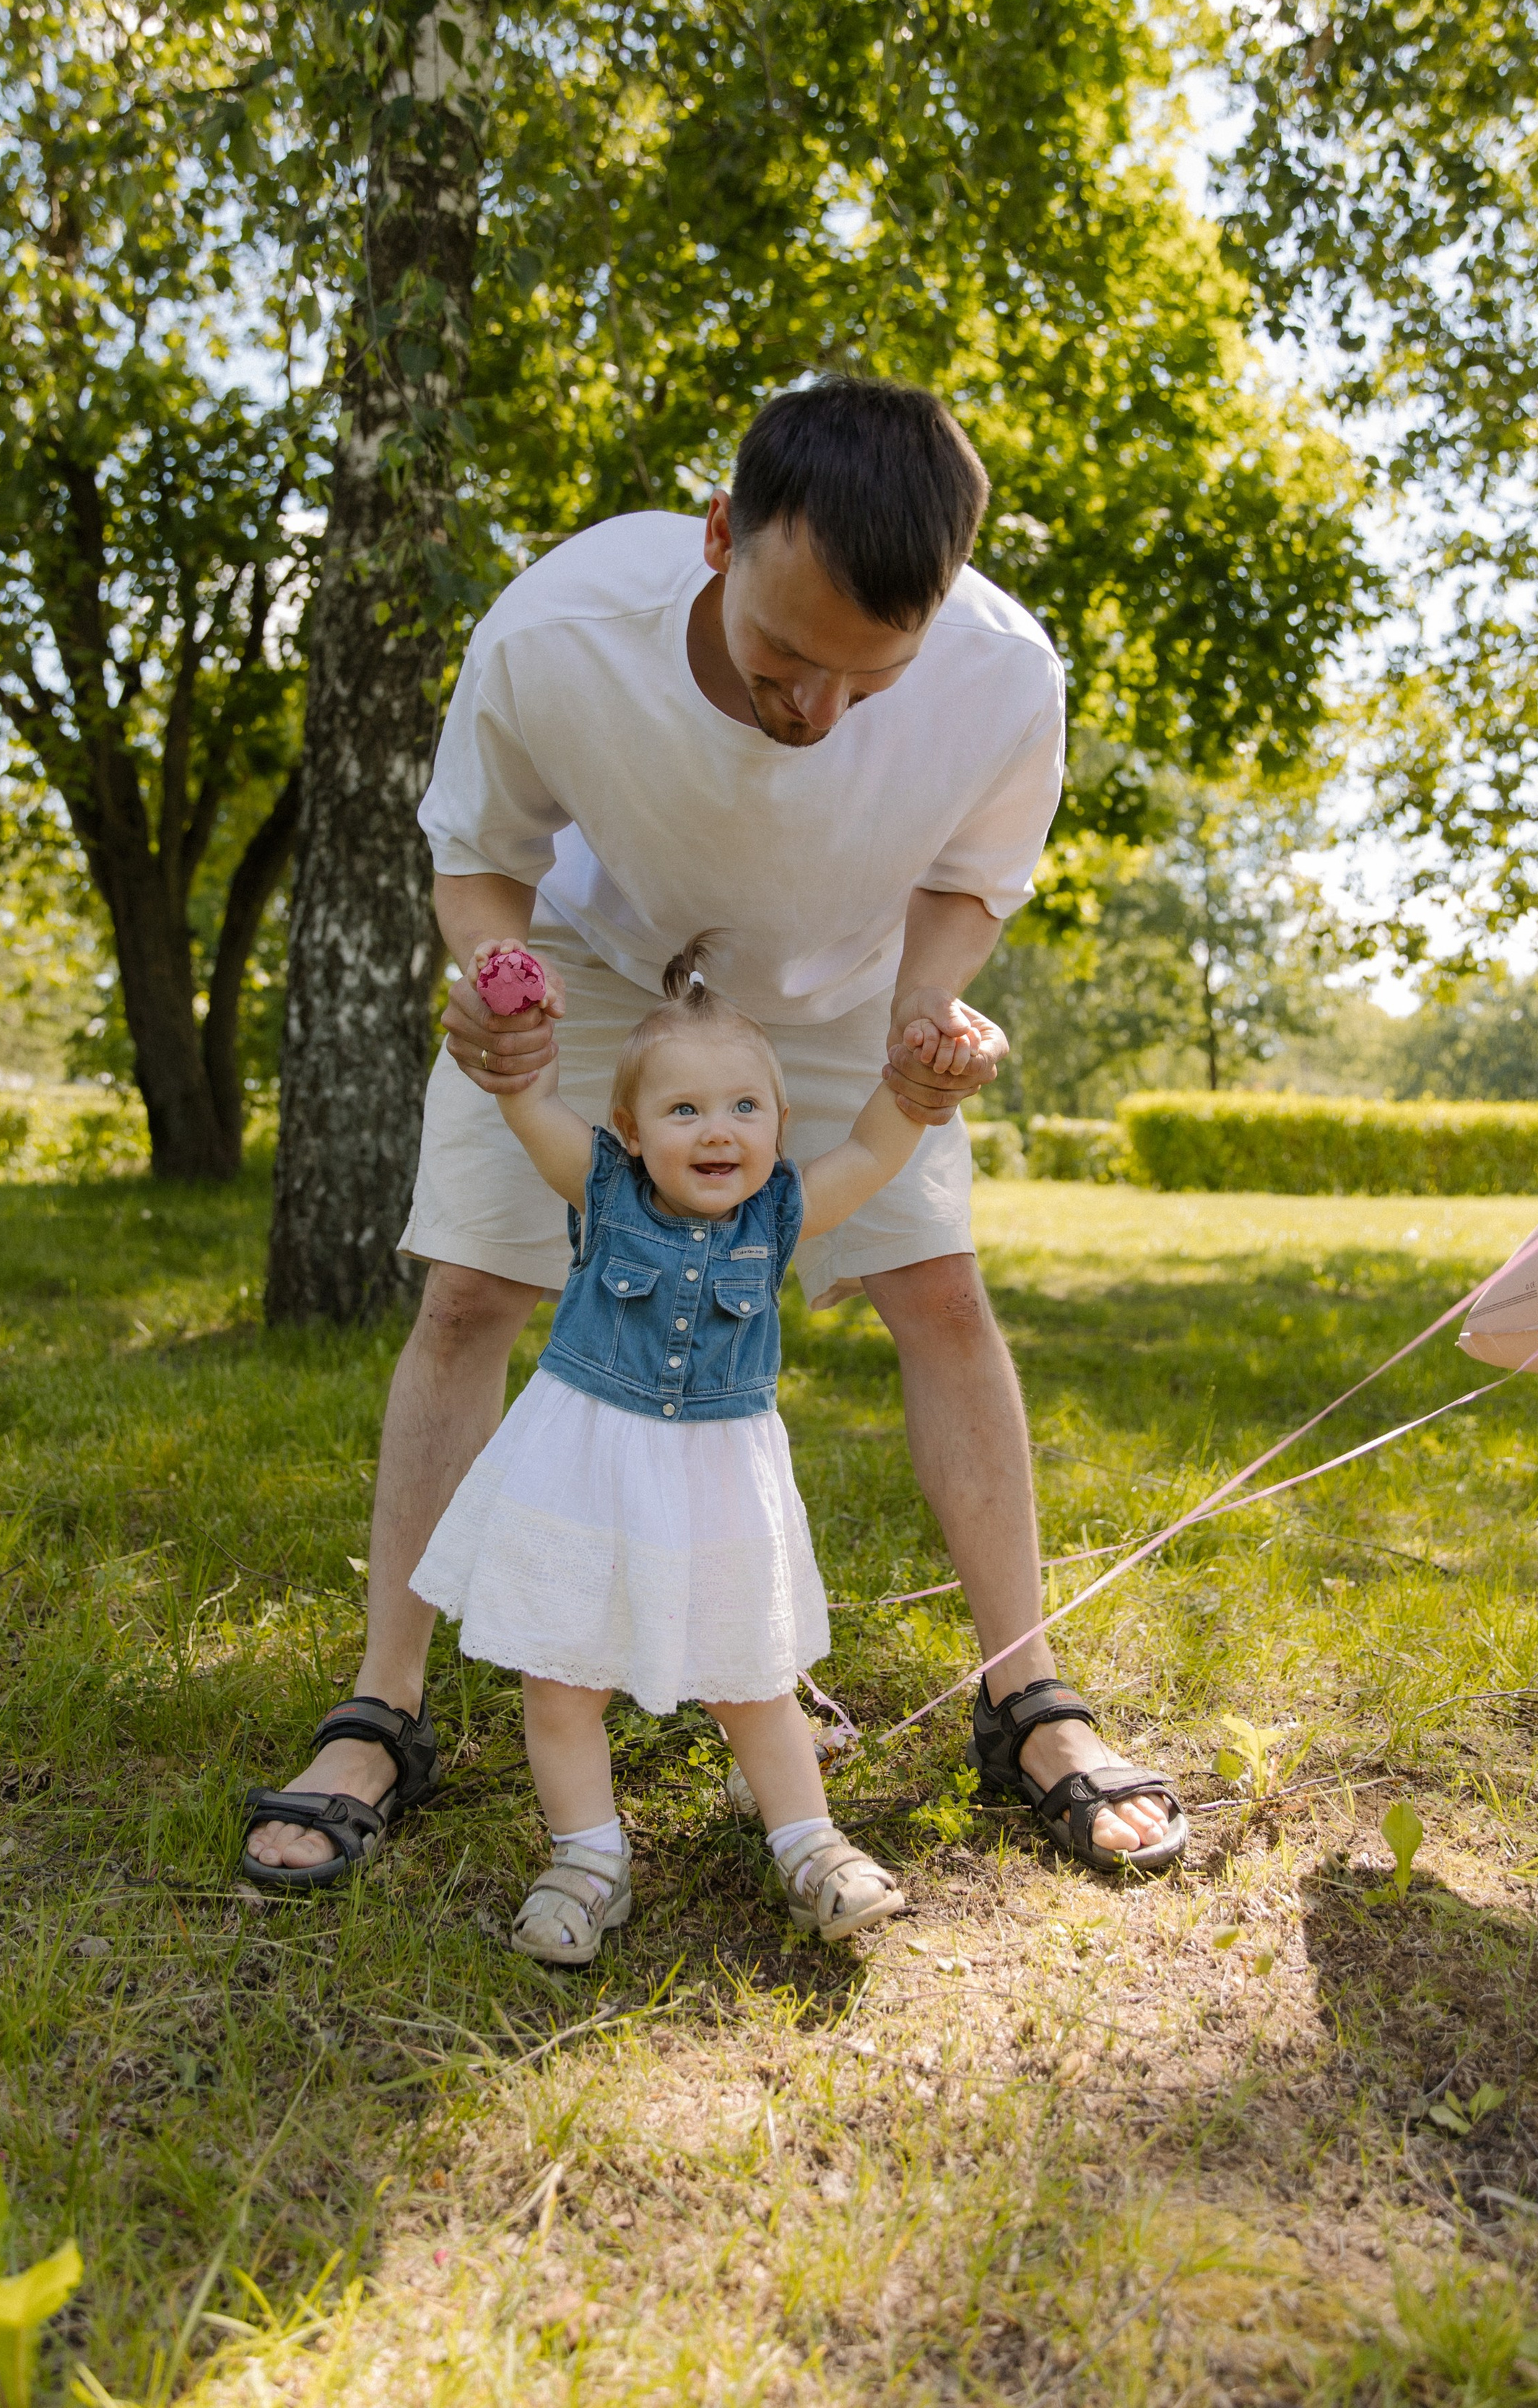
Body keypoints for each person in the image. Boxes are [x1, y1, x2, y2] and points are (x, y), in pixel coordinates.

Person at [240, 377, 1187, 1893]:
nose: (815, 714)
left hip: (846, 986)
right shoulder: (559, 630)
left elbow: (970, 877)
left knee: (941, 1294)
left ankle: (1028, 1696)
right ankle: (383, 1708)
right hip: (598, 967)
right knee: (472, 1296)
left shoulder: (1006, 671)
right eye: (784, 659)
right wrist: (500, 986)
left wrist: (924, 1013)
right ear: (717, 538)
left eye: (868, 680)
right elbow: (478, 854)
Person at [407, 939, 977, 1959]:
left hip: (718, 1482)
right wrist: (515, 1031)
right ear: (629, 1132)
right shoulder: (603, 1190)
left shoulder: (783, 1212)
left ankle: (811, 1847)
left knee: (752, 1675)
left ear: (779, 1125)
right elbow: (530, 1105)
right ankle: (588, 1862)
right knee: (561, 1681)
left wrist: (916, 1083)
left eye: (745, 1108)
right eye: (683, 1111)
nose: (718, 1130)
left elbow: (874, 1149)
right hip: (586, 1469)